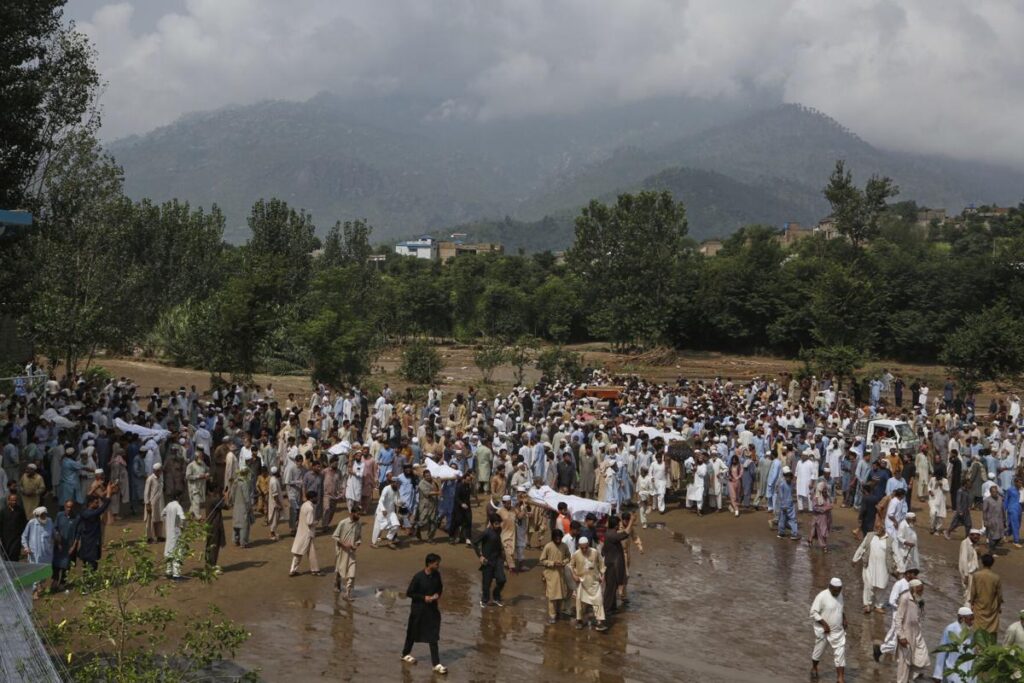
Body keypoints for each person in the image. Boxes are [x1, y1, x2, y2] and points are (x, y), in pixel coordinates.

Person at [401, 553, 447, 675]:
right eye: (437, 563)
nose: (438, 566)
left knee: (433, 635)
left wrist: (437, 595)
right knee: (412, 631)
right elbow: (410, 593)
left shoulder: (437, 575)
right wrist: (423, 598)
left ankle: (436, 663)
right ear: (429, 563)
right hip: (418, 610)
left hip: (432, 610)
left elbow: (440, 588)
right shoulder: (418, 577)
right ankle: (405, 653)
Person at [809, 577, 847, 683]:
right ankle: (814, 667)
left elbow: (840, 608)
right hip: (823, 630)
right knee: (819, 651)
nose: (837, 592)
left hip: (837, 631)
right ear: (830, 587)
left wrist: (844, 618)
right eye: (835, 590)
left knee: (840, 653)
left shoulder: (840, 595)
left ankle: (840, 678)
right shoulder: (821, 596)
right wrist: (824, 624)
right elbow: (813, 612)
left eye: (839, 590)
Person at [569, 535, 607, 631]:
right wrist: (574, 575)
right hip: (581, 582)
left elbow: (602, 564)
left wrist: (602, 575)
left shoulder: (595, 552)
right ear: (579, 546)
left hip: (594, 582)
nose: (585, 550)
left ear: (588, 545)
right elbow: (571, 566)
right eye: (582, 548)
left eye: (586, 547)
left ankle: (599, 622)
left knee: (598, 601)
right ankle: (579, 620)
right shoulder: (576, 554)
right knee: (580, 602)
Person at [894, 579, 929, 683]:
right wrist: (901, 636)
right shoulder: (905, 598)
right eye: (919, 590)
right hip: (906, 634)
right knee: (905, 663)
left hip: (917, 633)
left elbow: (921, 617)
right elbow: (898, 619)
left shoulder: (919, 600)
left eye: (922, 590)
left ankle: (910, 679)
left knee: (921, 658)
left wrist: (922, 607)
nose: (921, 592)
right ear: (913, 589)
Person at [851, 528, 890, 613]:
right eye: (876, 527)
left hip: (883, 568)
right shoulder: (870, 536)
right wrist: (855, 559)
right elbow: (862, 547)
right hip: (869, 565)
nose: (877, 530)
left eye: (879, 527)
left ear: (884, 528)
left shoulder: (890, 539)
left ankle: (878, 606)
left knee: (882, 586)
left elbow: (896, 553)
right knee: (868, 585)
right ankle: (867, 605)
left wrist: (900, 568)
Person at [78, 483, 115, 571]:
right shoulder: (90, 514)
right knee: (92, 564)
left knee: (90, 564)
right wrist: (109, 493)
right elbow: (103, 507)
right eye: (96, 503)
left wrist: (93, 489)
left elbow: (86, 498)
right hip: (91, 544)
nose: (98, 504)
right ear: (90, 504)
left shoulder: (84, 510)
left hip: (89, 542)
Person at [933, 607, 974, 683]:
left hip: (967, 672)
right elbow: (942, 653)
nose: (972, 622)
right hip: (953, 671)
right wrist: (937, 674)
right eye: (970, 619)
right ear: (962, 618)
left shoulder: (970, 631)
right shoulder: (950, 629)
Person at [540, 527, 571, 624]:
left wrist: (564, 562)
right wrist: (552, 563)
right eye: (556, 538)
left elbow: (568, 557)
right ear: (553, 538)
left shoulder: (564, 546)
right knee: (552, 597)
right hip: (550, 574)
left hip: (561, 574)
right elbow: (542, 560)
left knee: (561, 595)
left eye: (560, 538)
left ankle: (558, 611)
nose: (558, 540)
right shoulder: (548, 546)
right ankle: (552, 615)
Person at [475, 515, 506, 607]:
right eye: (496, 524)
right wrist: (480, 556)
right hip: (487, 561)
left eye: (499, 523)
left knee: (502, 579)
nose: (498, 525)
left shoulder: (499, 530)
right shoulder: (486, 532)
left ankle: (496, 596)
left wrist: (503, 553)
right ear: (491, 524)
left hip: (498, 560)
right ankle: (484, 600)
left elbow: (498, 542)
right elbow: (475, 543)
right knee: (486, 583)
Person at [332, 505, 362, 599]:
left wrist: (356, 545)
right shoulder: (343, 523)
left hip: (352, 553)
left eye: (360, 514)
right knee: (339, 569)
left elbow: (359, 538)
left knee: (352, 573)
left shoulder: (359, 524)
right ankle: (337, 584)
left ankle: (347, 593)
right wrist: (344, 544)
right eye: (357, 513)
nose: (359, 516)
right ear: (352, 513)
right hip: (341, 551)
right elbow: (335, 536)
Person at [968, 553, 1002, 634]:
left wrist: (971, 603)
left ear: (982, 563)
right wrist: (999, 607)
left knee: (978, 630)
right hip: (991, 608)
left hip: (979, 607)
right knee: (991, 630)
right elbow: (999, 595)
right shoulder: (996, 577)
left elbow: (973, 592)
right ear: (992, 563)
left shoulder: (976, 575)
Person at [289, 491, 321, 576]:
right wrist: (316, 522)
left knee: (308, 551)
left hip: (301, 532)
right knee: (299, 553)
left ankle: (315, 570)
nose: (317, 499)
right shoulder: (310, 508)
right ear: (311, 498)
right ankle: (293, 570)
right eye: (316, 497)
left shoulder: (304, 505)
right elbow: (310, 522)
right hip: (307, 533)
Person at [371, 478, 400, 549]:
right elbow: (380, 500)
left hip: (391, 511)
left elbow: (397, 500)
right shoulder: (386, 489)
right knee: (378, 528)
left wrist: (400, 503)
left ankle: (389, 539)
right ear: (392, 482)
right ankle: (373, 543)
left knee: (396, 525)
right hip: (381, 511)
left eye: (398, 483)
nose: (397, 484)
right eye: (396, 483)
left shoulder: (396, 490)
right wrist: (383, 510)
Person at [162, 495, 186, 578]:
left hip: (169, 532)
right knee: (177, 552)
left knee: (169, 551)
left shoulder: (168, 505)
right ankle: (176, 574)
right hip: (176, 532)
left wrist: (169, 521)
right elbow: (182, 518)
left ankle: (168, 571)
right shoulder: (178, 506)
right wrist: (182, 526)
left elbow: (163, 514)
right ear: (178, 497)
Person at [204, 483, 227, 569]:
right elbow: (226, 506)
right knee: (214, 545)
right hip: (214, 525)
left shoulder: (208, 498)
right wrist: (226, 496)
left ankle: (208, 564)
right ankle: (212, 565)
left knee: (209, 544)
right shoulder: (214, 499)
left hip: (209, 525)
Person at [231, 464, 254, 547]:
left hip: (236, 506)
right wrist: (249, 507)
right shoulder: (244, 483)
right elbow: (247, 497)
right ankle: (243, 542)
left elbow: (232, 495)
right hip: (243, 506)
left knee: (236, 524)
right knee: (244, 525)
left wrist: (233, 503)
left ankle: (236, 540)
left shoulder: (235, 482)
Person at [0, 492, 27, 561]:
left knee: (14, 553)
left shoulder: (20, 511)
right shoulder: (3, 511)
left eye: (15, 500)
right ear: (8, 501)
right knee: (7, 554)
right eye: (12, 500)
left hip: (16, 537)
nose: (14, 502)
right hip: (6, 537)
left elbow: (24, 523)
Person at [775, 466, 799, 540]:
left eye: (789, 476)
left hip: (790, 504)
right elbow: (781, 496)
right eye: (787, 476)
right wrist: (784, 505)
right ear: (785, 476)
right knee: (784, 519)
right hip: (785, 505)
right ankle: (782, 533)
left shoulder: (790, 484)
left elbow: (792, 493)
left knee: (790, 519)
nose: (788, 477)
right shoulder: (783, 484)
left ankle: (792, 534)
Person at [144, 463, 165, 543]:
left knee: (159, 519)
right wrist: (147, 504)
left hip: (159, 502)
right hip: (152, 503)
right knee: (151, 520)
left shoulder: (160, 478)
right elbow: (146, 492)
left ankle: (159, 536)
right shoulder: (150, 479)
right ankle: (149, 537)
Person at [267, 466, 285, 541]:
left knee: (276, 519)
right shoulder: (274, 481)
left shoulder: (273, 479)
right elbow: (275, 495)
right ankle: (272, 534)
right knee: (274, 519)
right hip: (275, 504)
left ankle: (274, 532)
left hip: (275, 502)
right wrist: (278, 504)